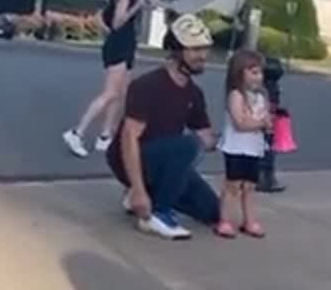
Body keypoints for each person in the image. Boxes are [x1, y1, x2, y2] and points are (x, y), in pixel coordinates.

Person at [107, 14, 220, 240]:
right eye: (195, 49)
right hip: (131, 157)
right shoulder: (147, 85)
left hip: (167, 161)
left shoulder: (194, 93)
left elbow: (207, 139)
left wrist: (246, 132)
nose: (202, 56)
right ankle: (157, 214)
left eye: (205, 49)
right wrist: (138, 189)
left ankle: (150, 194)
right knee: (188, 145)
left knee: (213, 212)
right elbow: (129, 138)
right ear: (176, 51)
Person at [63, 0, 152, 157]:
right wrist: (137, 6)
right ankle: (77, 132)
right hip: (118, 45)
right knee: (110, 93)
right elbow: (117, 22)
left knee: (121, 93)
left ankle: (105, 136)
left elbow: (105, 18)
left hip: (127, 44)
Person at [215, 50, 271, 239]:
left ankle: (250, 220)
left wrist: (268, 124)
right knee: (233, 185)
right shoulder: (236, 96)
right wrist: (261, 123)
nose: (259, 77)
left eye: (260, 73)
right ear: (239, 73)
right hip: (236, 147)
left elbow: (261, 119)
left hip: (253, 148)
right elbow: (240, 123)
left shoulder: (260, 97)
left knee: (249, 186)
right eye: (253, 72)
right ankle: (224, 220)